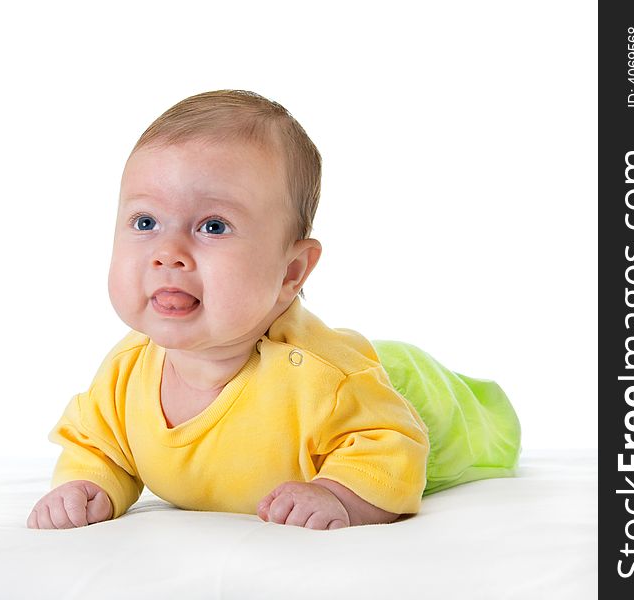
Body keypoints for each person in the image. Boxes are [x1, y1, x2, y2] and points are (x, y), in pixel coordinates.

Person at [27, 90, 521, 531]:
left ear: (290, 273)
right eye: (145, 220)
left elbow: (392, 445)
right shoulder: (126, 372)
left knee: (482, 434)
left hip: (405, 393)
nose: (167, 251)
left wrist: (338, 495)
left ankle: (483, 408)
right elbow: (100, 446)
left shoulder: (329, 381)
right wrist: (89, 486)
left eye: (213, 226)